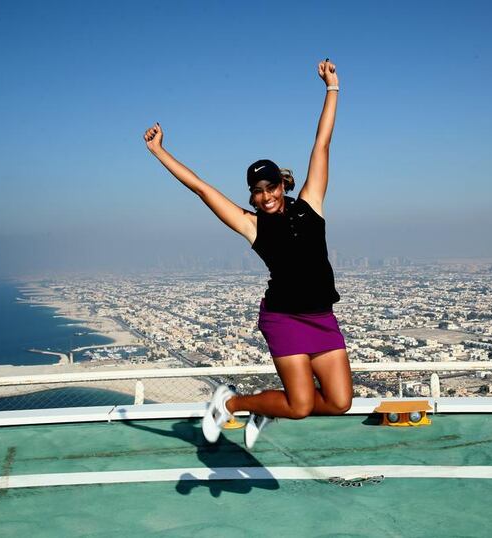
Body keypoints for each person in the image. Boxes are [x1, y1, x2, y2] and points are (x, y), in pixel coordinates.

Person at [143, 59, 352, 449]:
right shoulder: (251, 224)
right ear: (252, 195)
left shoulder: (311, 203)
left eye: (270, 187)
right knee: (302, 405)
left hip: (323, 316)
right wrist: (159, 152)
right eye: (257, 191)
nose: (265, 196)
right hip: (285, 317)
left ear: (281, 184)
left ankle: (267, 407)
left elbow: (322, 143)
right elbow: (202, 189)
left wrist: (332, 88)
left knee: (340, 402)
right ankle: (231, 403)